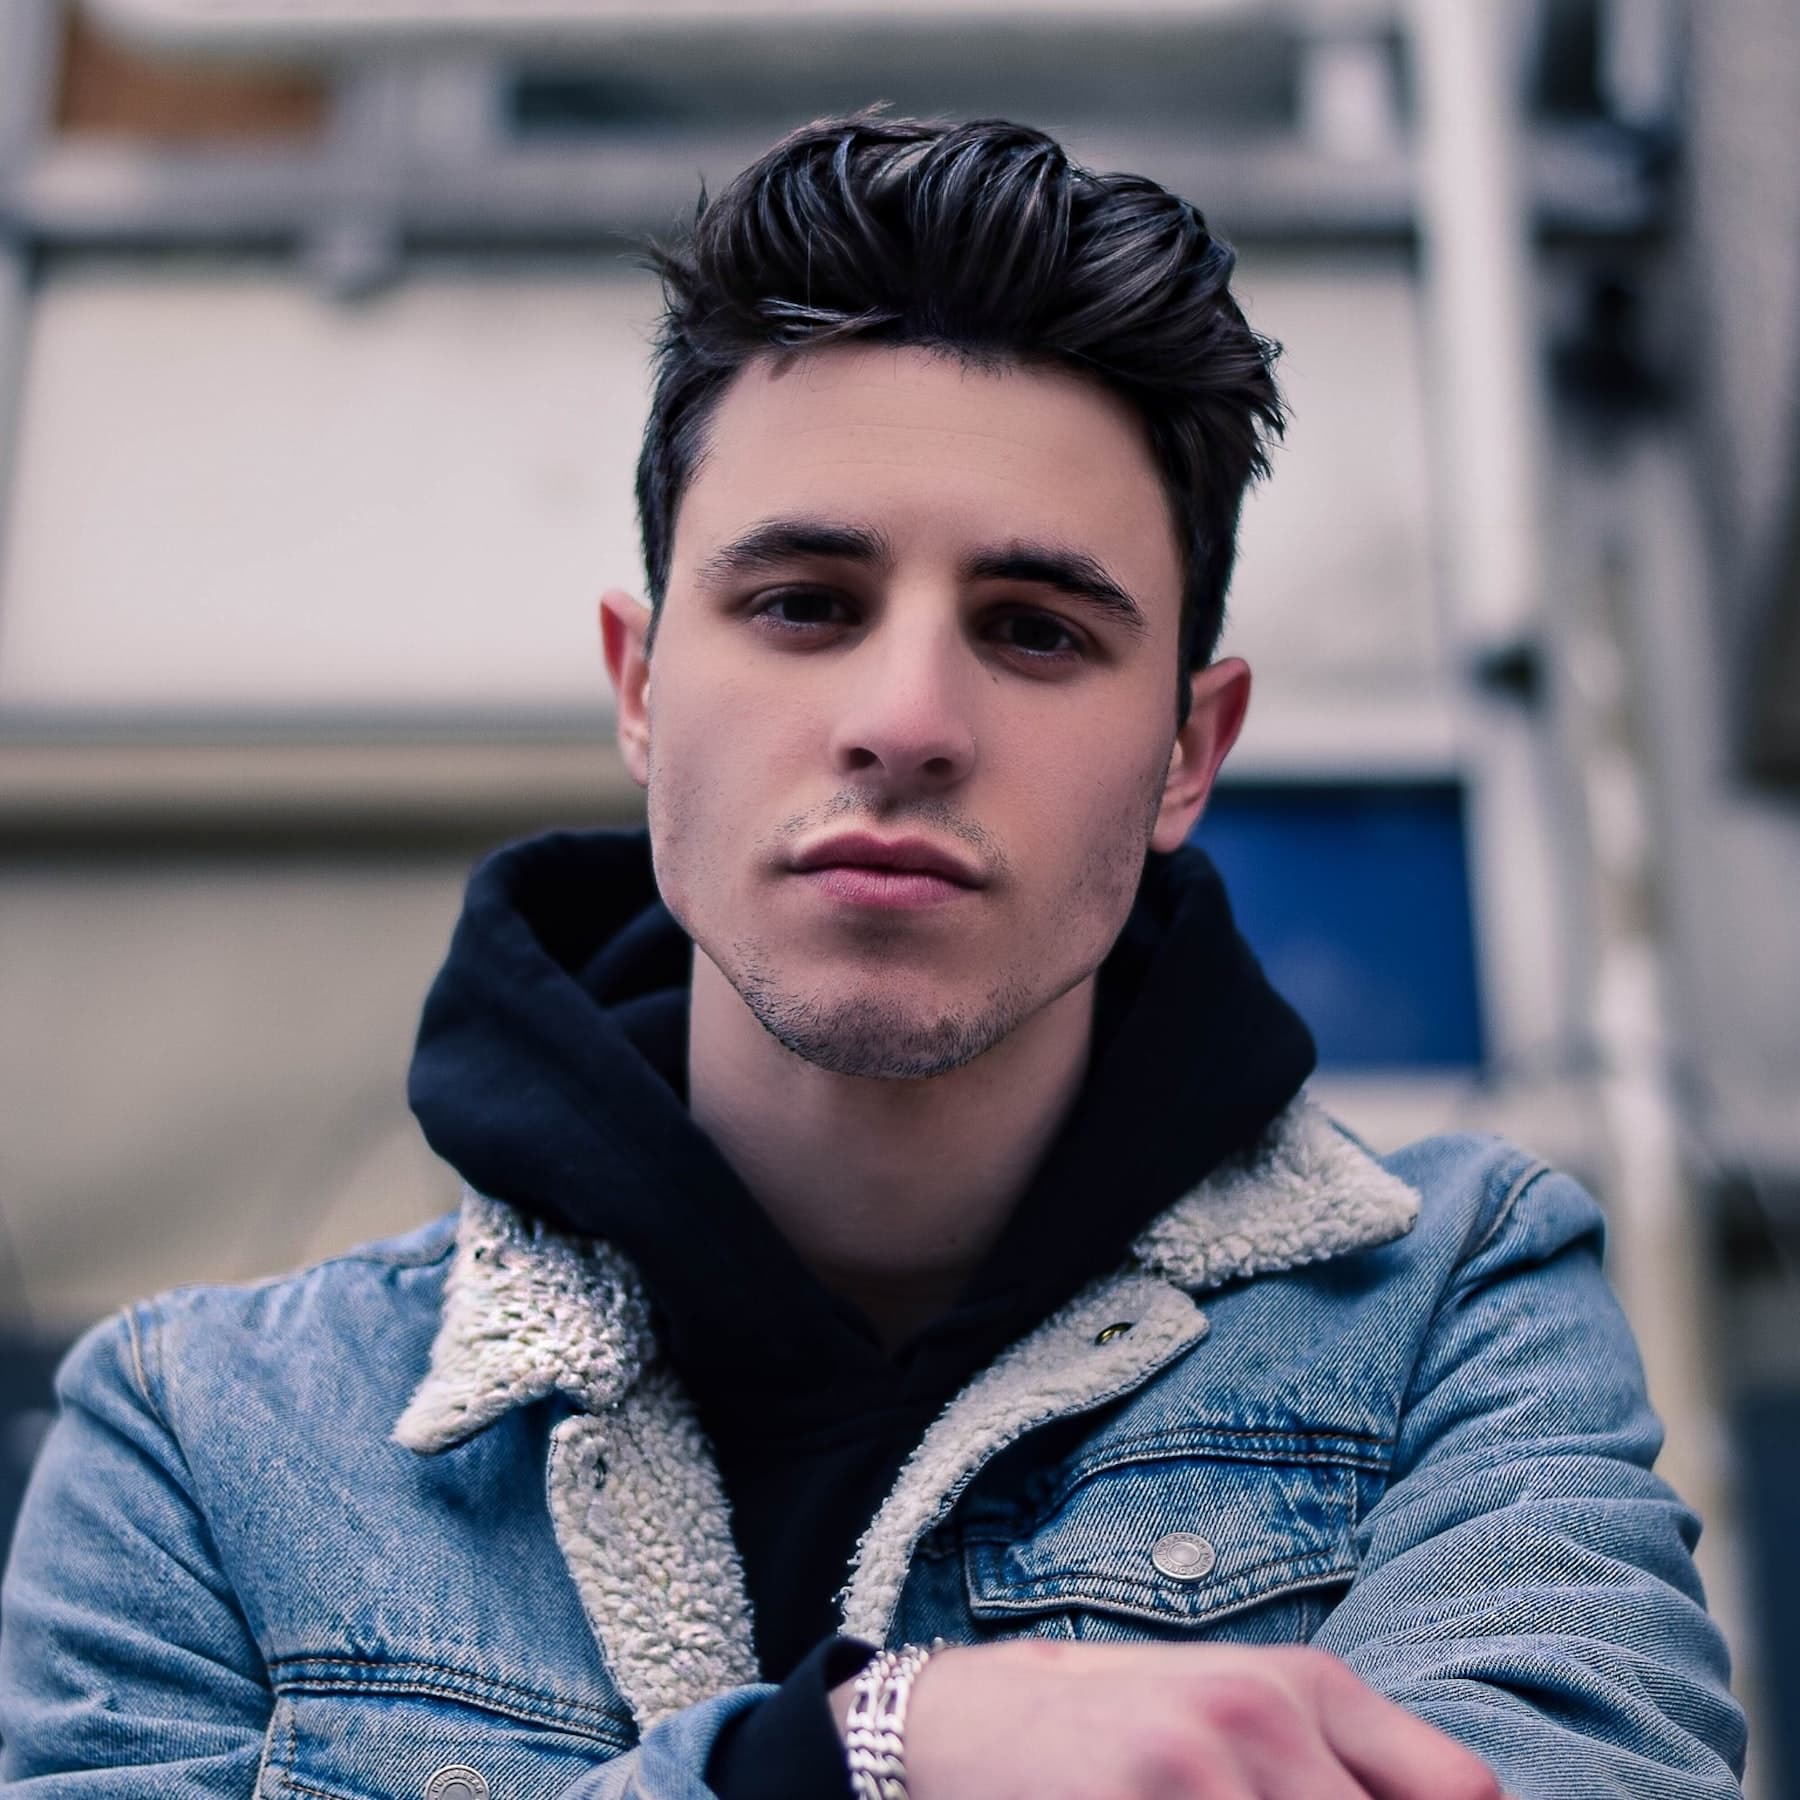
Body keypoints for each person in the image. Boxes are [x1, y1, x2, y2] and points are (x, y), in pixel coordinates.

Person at [0, 113, 1747, 1800]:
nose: (906, 721)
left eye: (1035, 630)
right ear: (640, 688)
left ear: (1187, 756)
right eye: (804, 606)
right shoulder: (202, 1442)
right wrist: (851, 1759)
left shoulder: (1451, 1312)